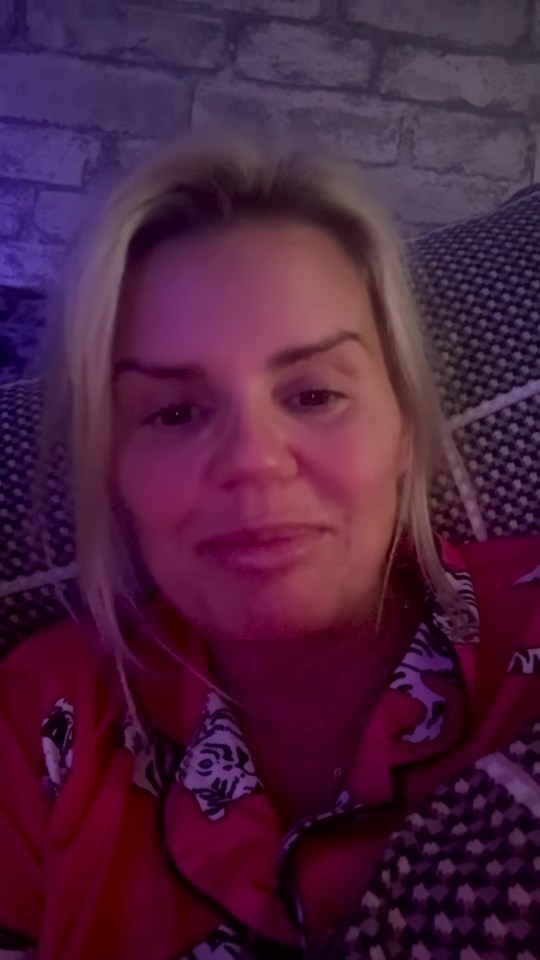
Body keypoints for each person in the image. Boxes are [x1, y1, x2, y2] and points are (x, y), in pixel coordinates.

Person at [0, 127, 538, 960]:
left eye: (316, 394)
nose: (253, 464)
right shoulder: (36, 724)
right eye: (173, 413)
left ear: (405, 430)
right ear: (110, 468)